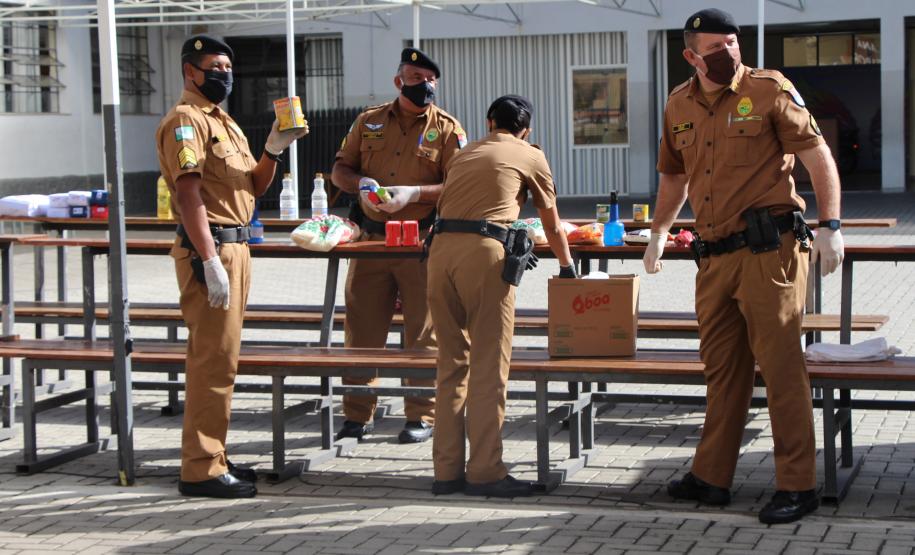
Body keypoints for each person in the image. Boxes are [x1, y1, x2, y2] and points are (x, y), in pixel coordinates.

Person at [644, 8, 844, 524]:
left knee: (781, 371)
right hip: (712, 257)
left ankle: (797, 484)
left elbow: (816, 155)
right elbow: (673, 178)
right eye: (714, 47)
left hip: (768, 252)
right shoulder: (678, 104)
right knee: (723, 373)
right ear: (691, 55)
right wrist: (660, 232)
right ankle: (711, 478)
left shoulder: (769, 88)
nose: (727, 52)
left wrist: (831, 225)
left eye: (732, 43)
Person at [155, 35, 307, 498]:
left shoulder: (226, 123)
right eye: (214, 66)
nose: (224, 74)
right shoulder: (186, 121)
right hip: (212, 250)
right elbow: (188, 194)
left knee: (224, 360)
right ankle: (200, 468)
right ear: (190, 72)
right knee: (211, 362)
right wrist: (207, 259)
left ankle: (213, 454)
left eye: (227, 66)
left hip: (236, 247)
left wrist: (274, 149)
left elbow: (253, 187)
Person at [426, 95, 576, 498]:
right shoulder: (529, 153)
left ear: (489, 122)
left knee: (451, 363)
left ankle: (446, 472)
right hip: (483, 255)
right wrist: (566, 267)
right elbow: (553, 221)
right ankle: (486, 472)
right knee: (489, 365)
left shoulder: (463, 152)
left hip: (439, 254)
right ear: (525, 129)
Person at [331, 48, 466, 444]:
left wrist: (415, 192)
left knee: (423, 332)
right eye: (415, 77)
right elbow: (341, 168)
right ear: (398, 81)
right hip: (371, 241)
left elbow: (458, 184)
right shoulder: (368, 121)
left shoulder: (447, 129)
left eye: (430, 79)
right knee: (362, 329)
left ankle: (420, 415)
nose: (424, 84)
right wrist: (361, 185)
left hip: (421, 244)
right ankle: (357, 415)